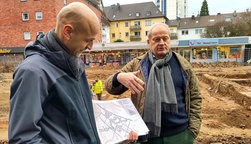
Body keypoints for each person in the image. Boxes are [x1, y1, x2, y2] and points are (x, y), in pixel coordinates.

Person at [8, 2, 138, 143]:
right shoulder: (32, 73)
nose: (90, 47)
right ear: (68, 32)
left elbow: (82, 126)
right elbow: (23, 139)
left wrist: (115, 137)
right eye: (88, 40)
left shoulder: (76, 64)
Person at [105, 23, 202, 143]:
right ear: (149, 42)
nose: (161, 42)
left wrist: (192, 131)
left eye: (165, 38)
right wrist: (119, 77)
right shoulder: (138, 64)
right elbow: (109, 87)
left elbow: (195, 97)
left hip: (180, 135)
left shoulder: (183, 64)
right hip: (146, 137)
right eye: (156, 39)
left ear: (169, 40)